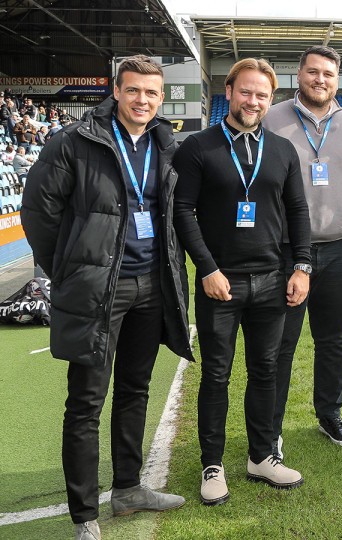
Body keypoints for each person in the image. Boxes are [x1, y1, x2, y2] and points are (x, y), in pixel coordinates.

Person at [21, 55, 193, 540]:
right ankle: (84, 516)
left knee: (135, 390)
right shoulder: (74, 142)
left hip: (152, 288)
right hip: (101, 290)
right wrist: (71, 267)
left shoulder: (165, 144)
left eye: (152, 93)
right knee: (86, 402)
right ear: (116, 91)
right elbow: (38, 210)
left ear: (161, 98)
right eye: (134, 90)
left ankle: (128, 488)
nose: (143, 100)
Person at [173, 58, 311, 505]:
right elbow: (182, 211)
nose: (253, 101)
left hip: (272, 280)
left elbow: (297, 213)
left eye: (263, 95)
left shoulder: (283, 150)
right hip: (221, 284)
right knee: (216, 375)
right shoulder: (197, 147)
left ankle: (262, 456)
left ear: (271, 101)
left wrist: (302, 266)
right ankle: (212, 464)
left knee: (266, 371)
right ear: (229, 91)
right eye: (246, 92)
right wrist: (208, 269)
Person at [262, 45, 342, 452]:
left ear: (336, 79)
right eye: (312, 72)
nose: (319, 79)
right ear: (299, 75)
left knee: (334, 339)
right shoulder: (271, 119)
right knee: (280, 343)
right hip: (288, 251)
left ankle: (329, 413)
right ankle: (270, 428)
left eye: (327, 73)